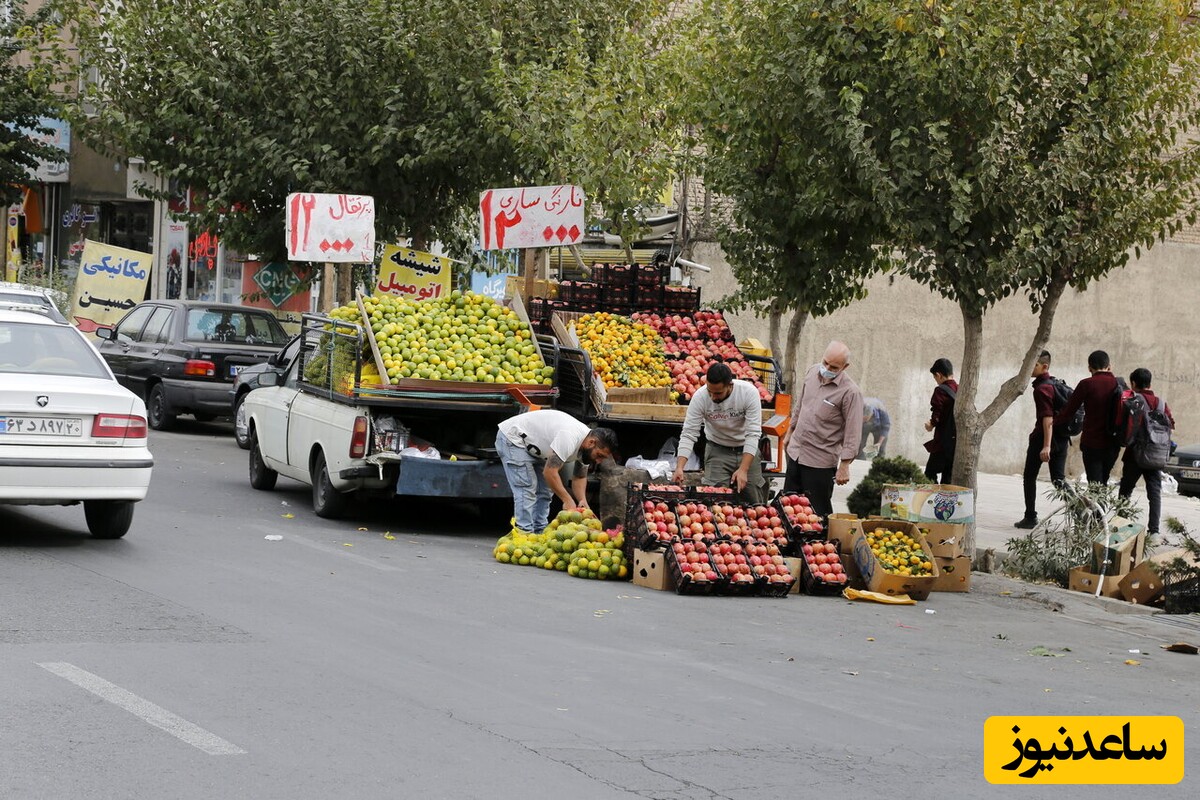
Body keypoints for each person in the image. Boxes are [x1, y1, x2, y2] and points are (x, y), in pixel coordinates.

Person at [495, 410, 617, 535]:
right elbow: (550, 472)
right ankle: (523, 533)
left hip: (536, 446)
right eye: (599, 455)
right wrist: (567, 499)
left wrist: (582, 500)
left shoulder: (586, 446)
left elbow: (579, 476)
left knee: (546, 491)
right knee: (526, 488)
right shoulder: (569, 438)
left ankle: (539, 532)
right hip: (514, 439)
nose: (598, 461)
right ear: (592, 442)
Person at [783, 341, 863, 521]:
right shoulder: (812, 372)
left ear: (845, 367)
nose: (827, 368)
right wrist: (790, 431)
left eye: (834, 367)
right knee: (788, 507)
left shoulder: (850, 392)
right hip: (796, 452)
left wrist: (845, 465)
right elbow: (800, 404)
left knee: (817, 514)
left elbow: (853, 432)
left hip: (820, 462)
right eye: (825, 362)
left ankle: (818, 547)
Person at [671, 363, 765, 503]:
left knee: (753, 501)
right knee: (713, 500)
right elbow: (689, 433)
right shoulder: (700, 397)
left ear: (730, 385)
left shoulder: (748, 392)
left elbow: (753, 434)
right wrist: (679, 467)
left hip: (746, 449)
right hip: (717, 450)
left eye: (718, 393)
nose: (713, 397)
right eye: (710, 391)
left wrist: (744, 469)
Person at [1116, 368, 1175, 535]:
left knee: (1125, 491)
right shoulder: (1162, 404)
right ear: (1150, 383)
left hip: (1135, 455)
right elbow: (1171, 425)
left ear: (1134, 384)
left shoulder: (1135, 401)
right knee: (1154, 494)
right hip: (1156, 456)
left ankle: (1120, 527)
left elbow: (1128, 427)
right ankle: (1154, 531)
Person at [1015, 350, 1069, 529]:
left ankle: (1030, 517)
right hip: (1061, 439)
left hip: (1043, 439)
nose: (1030, 366)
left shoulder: (1042, 389)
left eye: (1034, 364)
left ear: (1044, 366)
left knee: (1029, 476)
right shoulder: (1054, 384)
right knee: (1059, 481)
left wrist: (1046, 445)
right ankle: (1082, 511)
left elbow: (1047, 418)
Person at [1053, 349, 1124, 484]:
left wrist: (1054, 422)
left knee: (1094, 482)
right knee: (1103, 480)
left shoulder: (1086, 384)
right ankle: (1101, 505)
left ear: (1089, 367)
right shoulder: (1119, 384)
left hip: (1092, 442)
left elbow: (1069, 410)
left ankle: (1097, 505)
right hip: (1113, 443)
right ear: (1109, 366)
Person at [923, 358, 958, 484]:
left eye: (935, 378)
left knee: (929, 474)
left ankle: (932, 501)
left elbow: (937, 413)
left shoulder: (941, 390)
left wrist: (931, 424)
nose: (936, 381)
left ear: (938, 375)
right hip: (956, 442)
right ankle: (945, 502)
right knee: (947, 477)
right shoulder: (959, 389)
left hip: (943, 441)